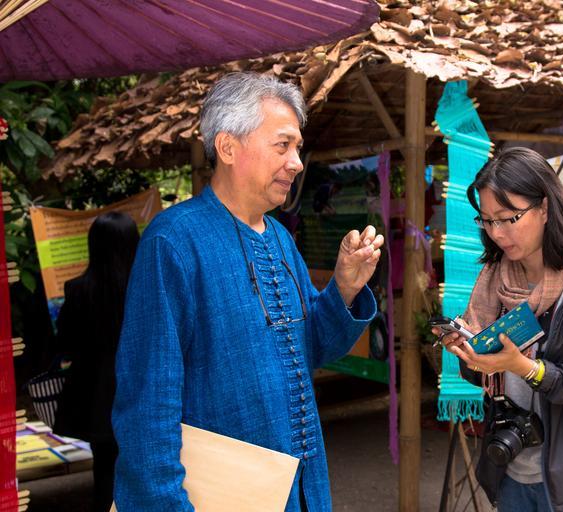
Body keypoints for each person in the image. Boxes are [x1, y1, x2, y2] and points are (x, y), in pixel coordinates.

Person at [112, 73, 384, 511]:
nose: (296, 162)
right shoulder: (173, 242)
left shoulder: (279, 238)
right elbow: (148, 401)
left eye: (297, 147)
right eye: (282, 145)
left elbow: (312, 348)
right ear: (227, 147)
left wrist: (345, 287)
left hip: (302, 490)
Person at [435, 147, 563, 512]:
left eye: (508, 218)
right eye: (487, 221)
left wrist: (527, 368)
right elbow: (488, 375)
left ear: (545, 208)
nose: (497, 233)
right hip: (513, 472)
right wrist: (470, 354)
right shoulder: (497, 280)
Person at [54, 211, 139, 512]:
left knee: (103, 467)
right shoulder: (146, 289)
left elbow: (65, 344)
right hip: (139, 389)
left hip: (94, 396)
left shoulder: (77, 289)